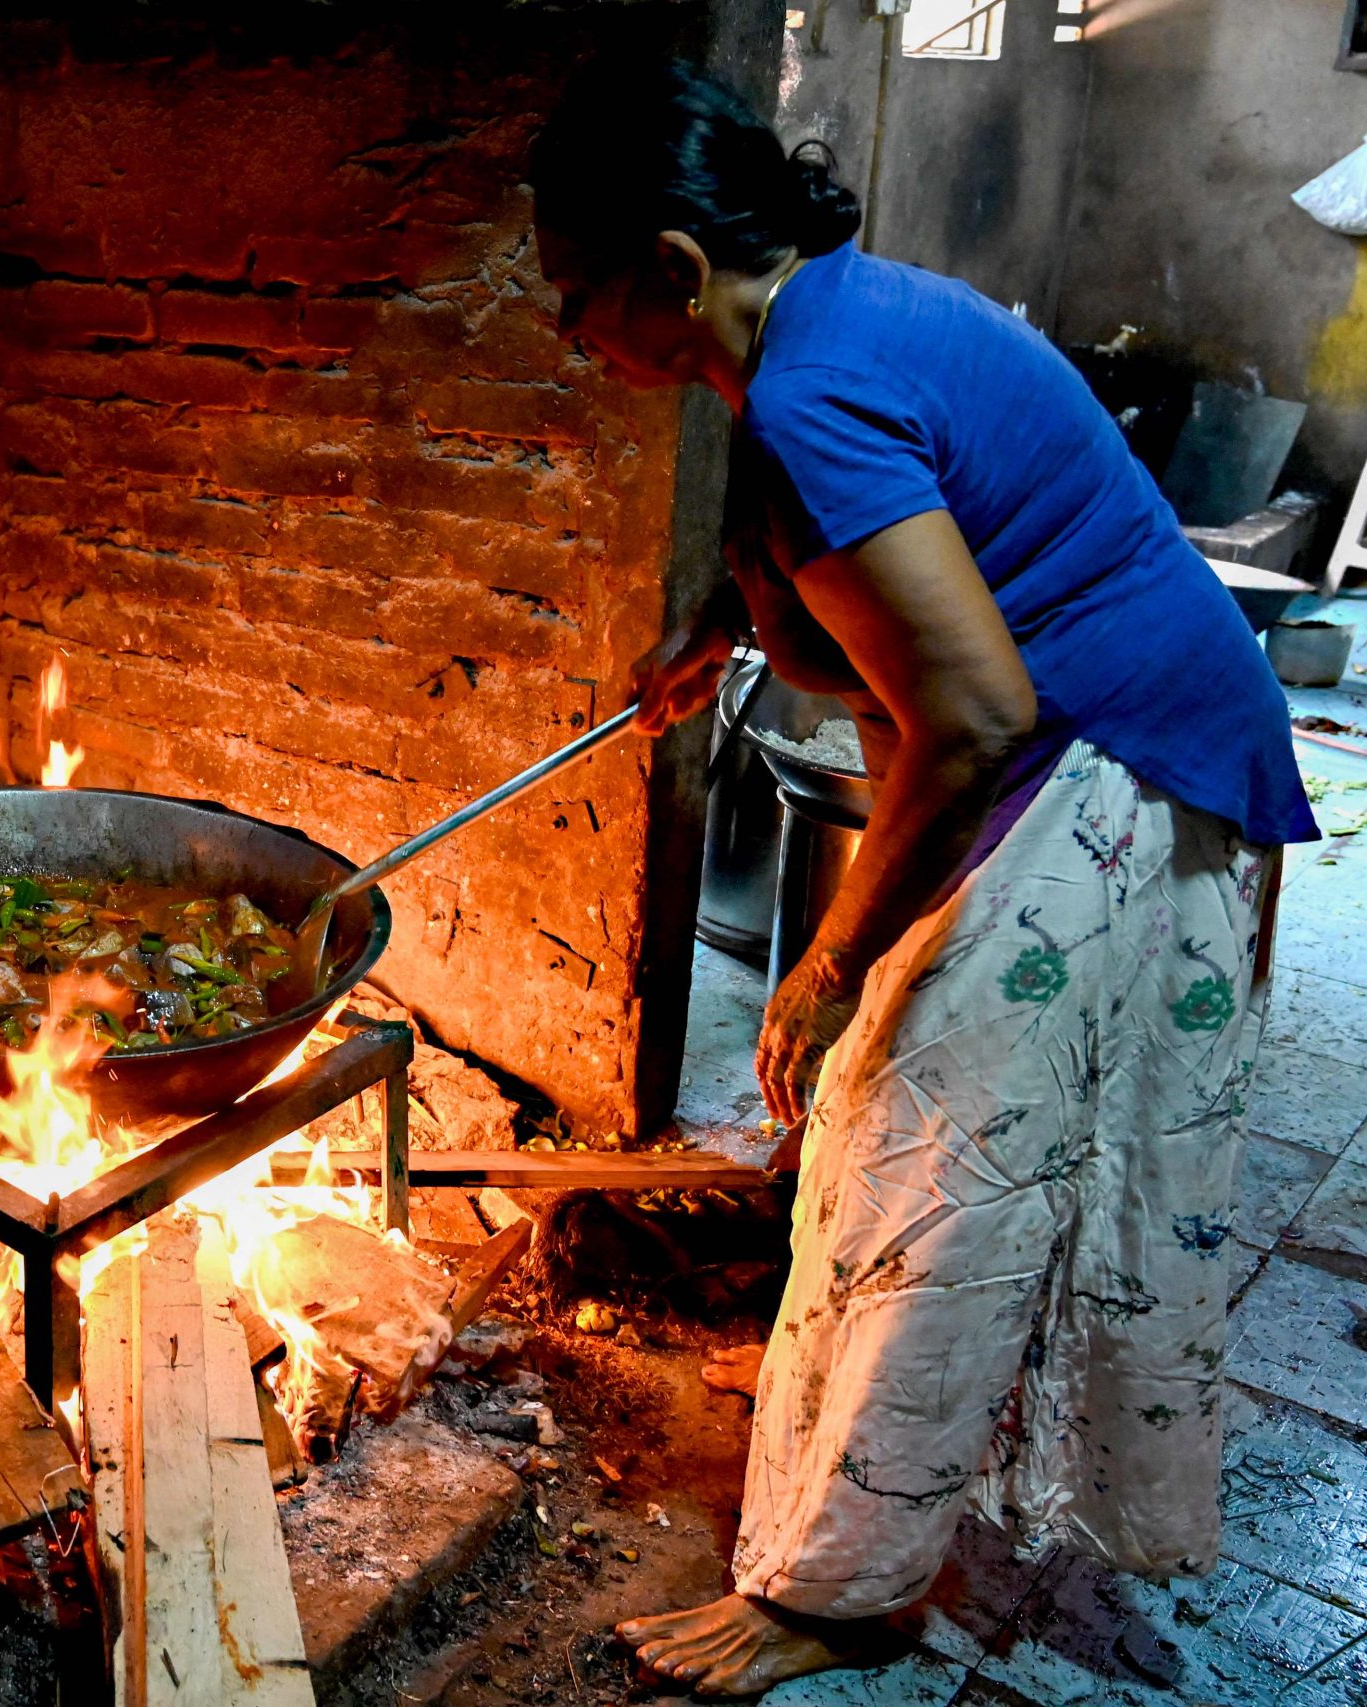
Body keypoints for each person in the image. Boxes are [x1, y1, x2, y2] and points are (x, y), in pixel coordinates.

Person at [526, 63, 1317, 1696]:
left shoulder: (812, 389)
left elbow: (972, 715)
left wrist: (828, 970)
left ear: (674, 268)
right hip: (1116, 726)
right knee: (901, 1139)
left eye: (574, 290)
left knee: (923, 1163)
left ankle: (837, 1593)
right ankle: (866, 1460)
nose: (563, 327)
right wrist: (732, 622)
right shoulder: (825, 321)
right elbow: (903, 534)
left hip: (1117, 760)